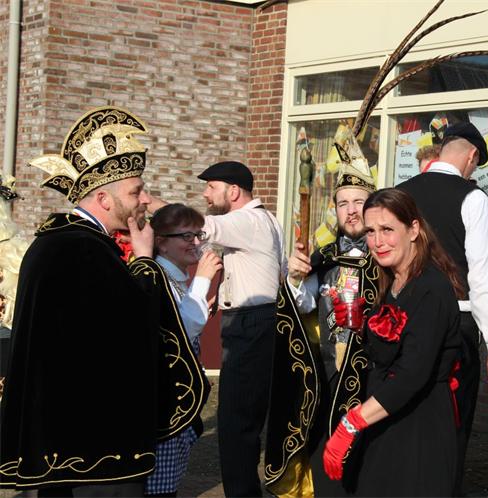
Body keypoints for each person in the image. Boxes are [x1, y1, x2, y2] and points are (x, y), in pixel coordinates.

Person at [0, 107, 207, 496]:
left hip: (66, 437)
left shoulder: (59, 243)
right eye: (135, 191)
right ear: (103, 198)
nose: (145, 199)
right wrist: (144, 261)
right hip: (96, 450)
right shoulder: (84, 249)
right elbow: (132, 329)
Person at [322, 188, 462, 496]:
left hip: (419, 427)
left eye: (387, 229)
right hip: (386, 419)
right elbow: (385, 354)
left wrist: (351, 423)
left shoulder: (430, 289)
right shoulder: (391, 279)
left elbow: (412, 373)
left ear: (413, 230)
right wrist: (360, 327)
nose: (377, 241)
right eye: (370, 231)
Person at [397, 121, 488, 492]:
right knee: (451, 421)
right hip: (454, 324)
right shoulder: (473, 199)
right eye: (476, 164)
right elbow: (483, 279)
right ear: (472, 156)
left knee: (405, 413)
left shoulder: (402, 193)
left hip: (404, 318)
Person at [264, 160, 378, 496]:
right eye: (343, 203)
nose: (351, 211)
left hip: (373, 380)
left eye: (358, 202)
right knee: (326, 461)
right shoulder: (323, 257)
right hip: (328, 379)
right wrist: (294, 278)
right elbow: (302, 307)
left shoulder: (385, 257)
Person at [197, 160, 285, 497]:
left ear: (233, 191)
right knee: (244, 418)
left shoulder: (246, 220)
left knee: (236, 422)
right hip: (257, 320)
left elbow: (201, 227)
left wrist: (150, 205)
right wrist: (223, 293)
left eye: (211, 187)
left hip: (250, 324)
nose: (206, 194)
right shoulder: (266, 220)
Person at [146, 204, 222, 497]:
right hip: (165, 402)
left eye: (198, 235)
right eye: (186, 236)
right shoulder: (158, 276)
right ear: (161, 242)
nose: (195, 243)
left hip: (178, 399)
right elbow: (180, 331)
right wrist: (202, 280)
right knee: (160, 488)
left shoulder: (174, 277)